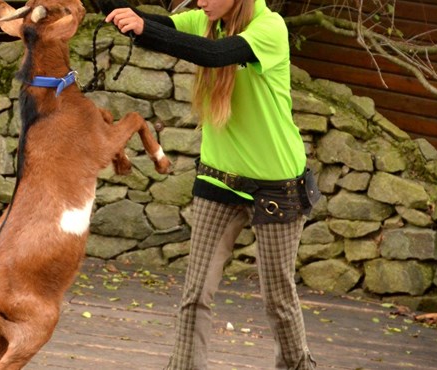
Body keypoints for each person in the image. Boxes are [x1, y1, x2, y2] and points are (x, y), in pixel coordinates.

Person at [100, 0, 320, 369]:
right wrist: (121, 15)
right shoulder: (206, 21)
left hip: (276, 187)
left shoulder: (270, 28)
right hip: (217, 179)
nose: (200, 1)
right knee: (195, 293)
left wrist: (144, 27)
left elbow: (215, 55)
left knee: (278, 299)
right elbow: (156, 27)